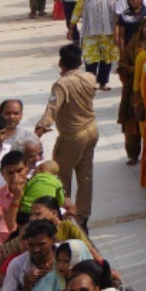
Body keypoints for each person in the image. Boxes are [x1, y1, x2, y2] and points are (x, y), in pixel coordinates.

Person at [46, 42, 102, 227]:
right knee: (85, 175)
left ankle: (65, 213)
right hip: (91, 131)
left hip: (73, 136)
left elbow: (51, 111)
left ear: (61, 63)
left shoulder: (61, 85)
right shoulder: (89, 77)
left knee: (62, 176)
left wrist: (37, 132)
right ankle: (83, 216)